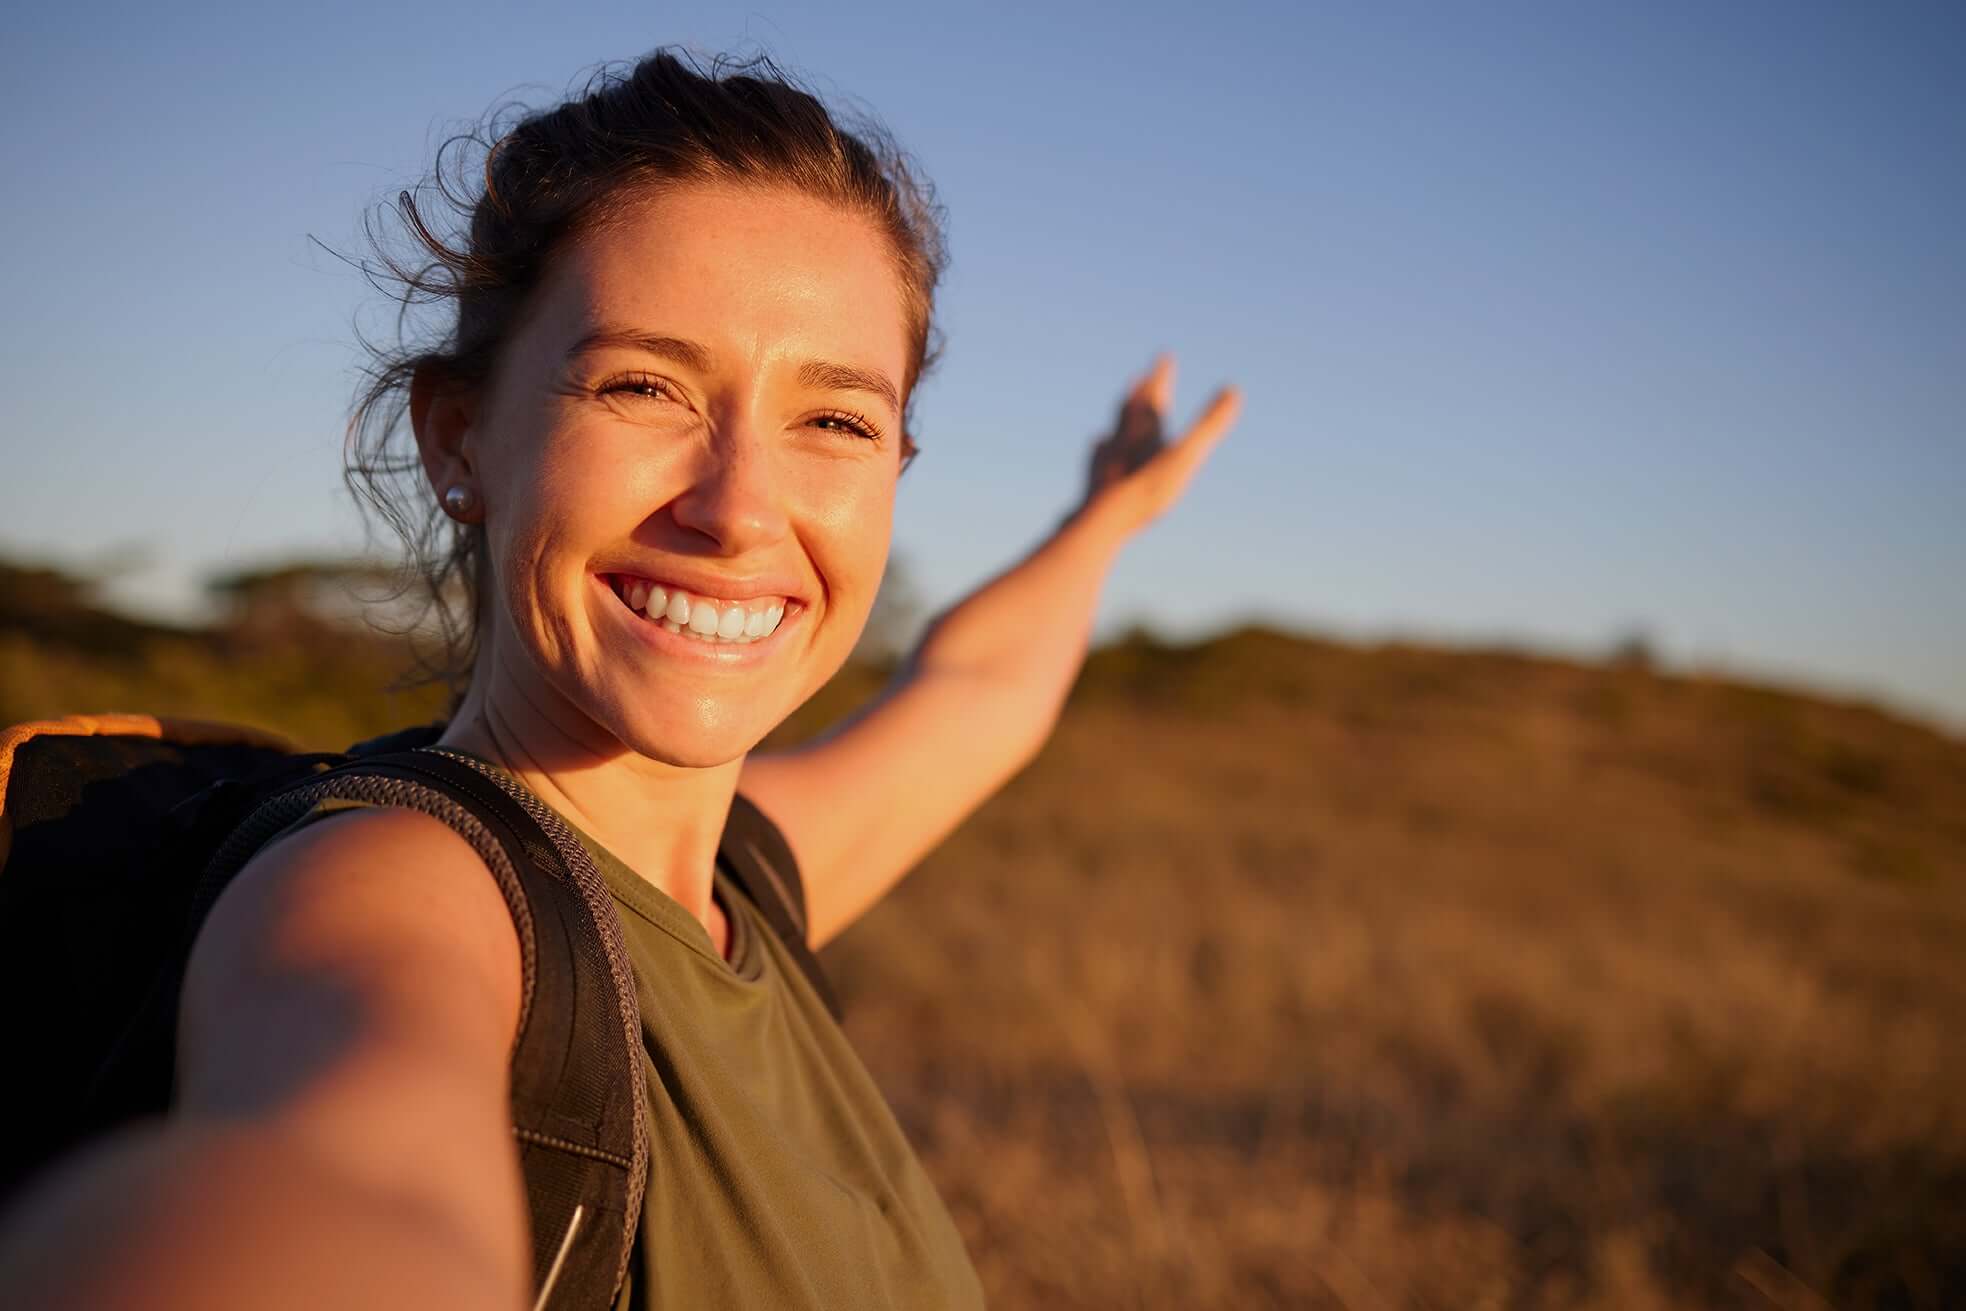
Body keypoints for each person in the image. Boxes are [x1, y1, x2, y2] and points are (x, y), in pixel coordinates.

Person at [0, 47, 1240, 1310]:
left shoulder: (740, 879)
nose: (742, 509)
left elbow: (976, 700)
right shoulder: (394, 887)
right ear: (459, 436)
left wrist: (1105, 519)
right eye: (643, 386)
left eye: (836, 420)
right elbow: (342, 1183)